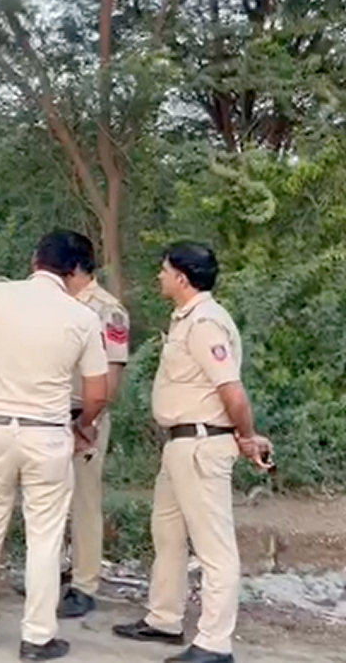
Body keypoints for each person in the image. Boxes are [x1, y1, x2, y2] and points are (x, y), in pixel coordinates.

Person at [0, 230, 109, 661]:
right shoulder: (82, 317)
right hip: (48, 433)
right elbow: (97, 392)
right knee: (45, 536)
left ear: (34, 259)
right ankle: (37, 636)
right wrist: (84, 426)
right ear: (74, 270)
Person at [113, 243, 272, 663]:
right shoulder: (187, 318)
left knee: (214, 549)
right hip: (181, 445)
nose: (159, 276)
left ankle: (215, 644)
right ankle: (164, 618)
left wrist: (247, 436)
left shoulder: (204, 323)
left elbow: (231, 391)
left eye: (164, 270)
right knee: (167, 534)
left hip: (201, 445)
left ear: (182, 278)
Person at [58, 233, 130, 618]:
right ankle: (52, 571)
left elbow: (111, 373)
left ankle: (84, 584)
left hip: (85, 417)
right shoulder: (56, 303)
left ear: (73, 266)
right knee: (49, 499)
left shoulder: (106, 309)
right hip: (50, 416)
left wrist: (90, 421)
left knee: (84, 501)